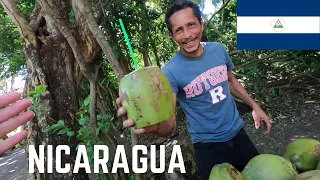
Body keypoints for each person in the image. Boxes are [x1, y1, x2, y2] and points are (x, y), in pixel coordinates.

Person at [117, 1, 272, 179]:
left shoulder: (219, 50)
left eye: (191, 25)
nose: (187, 35)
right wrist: (155, 126)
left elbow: (231, 81)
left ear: (201, 23)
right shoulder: (170, 72)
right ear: (171, 35)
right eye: (179, 30)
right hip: (208, 148)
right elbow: (171, 124)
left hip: (239, 134)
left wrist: (255, 107)